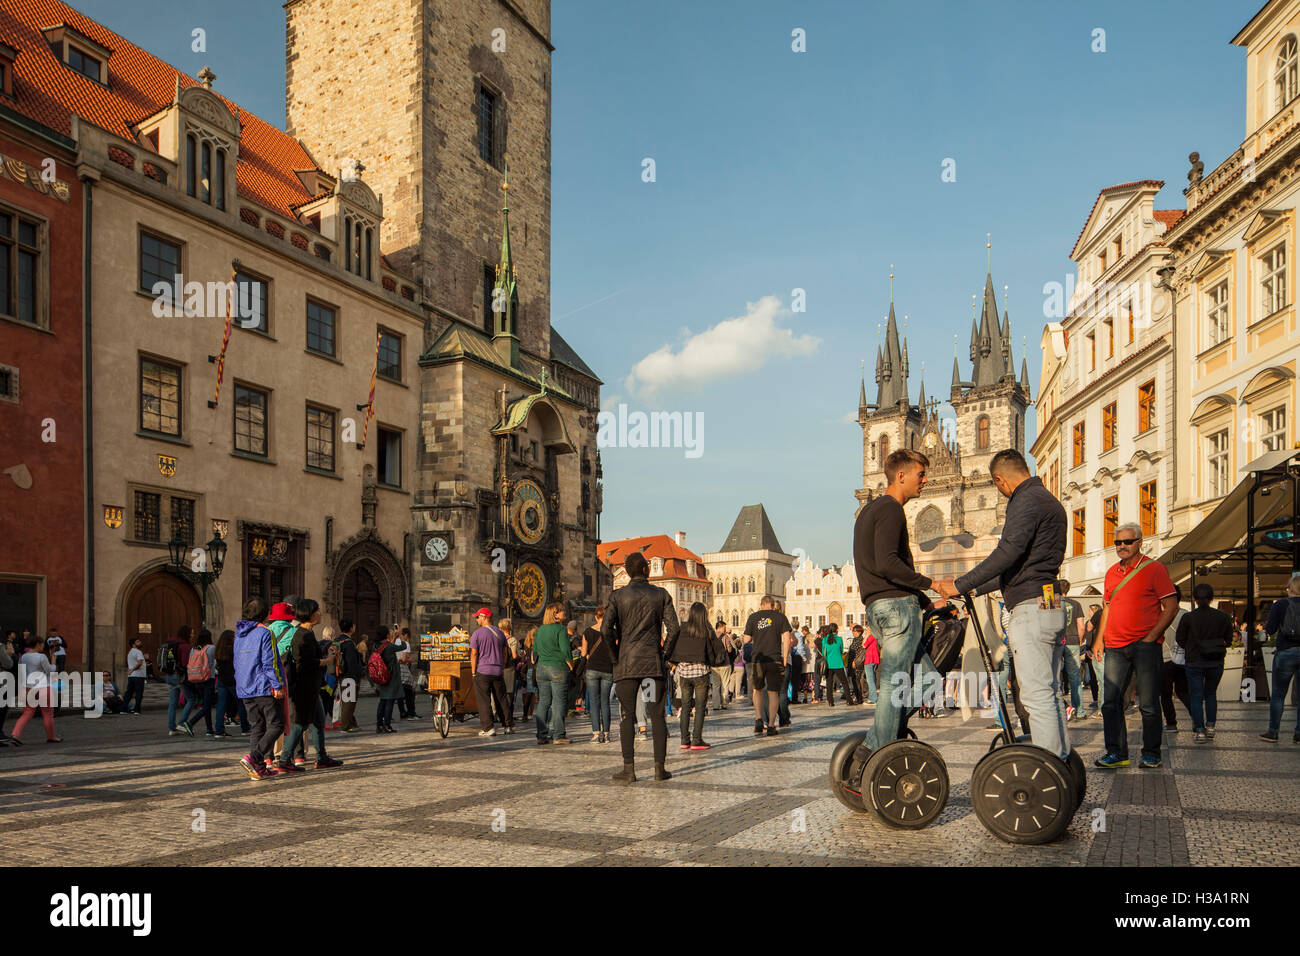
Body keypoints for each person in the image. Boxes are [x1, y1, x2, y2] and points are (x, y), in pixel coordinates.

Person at [952, 449, 1069, 760]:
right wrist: (973, 588)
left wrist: (960, 583)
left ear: (1000, 480)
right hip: (1049, 601)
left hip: (1030, 608)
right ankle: (1062, 758)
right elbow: (1020, 565)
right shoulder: (1050, 501)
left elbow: (1008, 553)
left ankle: (1048, 765)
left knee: (1035, 695)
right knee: (1052, 692)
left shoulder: (1024, 500)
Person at [854, 449, 950, 759]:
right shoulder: (892, 510)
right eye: (920, 474)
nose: (925, 480)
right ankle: (875, 752)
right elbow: (888, 564)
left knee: (929, 680)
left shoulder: (868, 512)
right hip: (896, 610)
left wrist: (927, 603)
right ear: (901, 475)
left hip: (883, 607)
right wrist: (932, 584)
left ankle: (876, 740)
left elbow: (885, 571)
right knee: (894, 687)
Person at [1092, 522, 1179, 769]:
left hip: (1144, 645)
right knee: (1110, 703)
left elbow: (1170, 606)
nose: (1122, 546)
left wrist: (1152, 637)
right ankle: (1116, 753)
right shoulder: (1111, 573)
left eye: (1127, 542)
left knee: (1149, 703)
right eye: (1118, 542)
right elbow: (1107, 607)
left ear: (1139, 542)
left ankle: (1152, 753)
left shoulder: (1154, 569)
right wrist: (1100, 639)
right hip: (1116, 646)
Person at [604, 550, 678, 782]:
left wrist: (615, 655)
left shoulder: (617, 596)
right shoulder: (661, 594)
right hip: (651, 666)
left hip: (626, 665)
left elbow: (606, 629)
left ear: (626, 571)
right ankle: (659, 768)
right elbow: (674, 629)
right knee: (656, 715)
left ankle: (629, 769)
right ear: (646, 570)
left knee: (627, 716)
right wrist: (664, 654)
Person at [275, 598, 342, 771]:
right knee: (301, 723)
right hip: (304, 687)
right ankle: (284, 759)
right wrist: (326, 660)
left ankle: (322, 757)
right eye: (317, 611)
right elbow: (303, 662)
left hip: (312, 687)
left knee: (319, 721)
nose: (320, 614)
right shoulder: (302, 635)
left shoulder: (307, 633)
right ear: (310, 615)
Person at [1175, 583, 1232, 743]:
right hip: (1215, 661)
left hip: (1194, 661)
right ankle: (1211, 726)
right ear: (1211, 598)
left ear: (1194, 598)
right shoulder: (1222, 617)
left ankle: (1199, 729)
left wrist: (1191, 647)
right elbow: (1228, 640)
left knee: (1196, 695)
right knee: (1211, 693)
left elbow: (1180, 639)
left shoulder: (1188, 617)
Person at [234, 599, 283, 779]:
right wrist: (277, 685)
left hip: (245, 686)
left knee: (257, 727)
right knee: (277, 724)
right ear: (265, 614)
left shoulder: (239, 634)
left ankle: (259, 767)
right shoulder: (265, 632)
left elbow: (237, 661)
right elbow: (269, 662)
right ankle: (254, 757)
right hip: (263, 685)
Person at [664, 601, 714, 750]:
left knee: (685, 706)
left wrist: (673, 662)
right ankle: (697, 740)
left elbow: (675, 646)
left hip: (684, 672)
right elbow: (711, 651)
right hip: (701, 672)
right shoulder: (705, 629)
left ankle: (684, 740)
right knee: (699, 707)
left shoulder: (683, 628)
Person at [742, 596, 793, 737]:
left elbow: (746, 640)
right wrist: (784, 658)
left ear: (761, 604)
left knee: (757, 690)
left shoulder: (753, 617)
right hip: (774, 659)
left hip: (758, 660)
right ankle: (771, 725)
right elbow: (787, 639)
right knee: (773, 693)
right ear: (772, 605)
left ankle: (759, 719)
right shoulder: (780, 617)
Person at [1261, 572, 1300, 742]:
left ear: (1290, 588)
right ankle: (1298, 734)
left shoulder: (1280, 605)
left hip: (1285, 651)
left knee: (1278, 694)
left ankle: (1273, 731)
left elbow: (1269, 629)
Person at [533, 603, 573, 745]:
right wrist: (570, 665)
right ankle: (559, 735)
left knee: (543, 702)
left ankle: (541, 735)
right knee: (558, 702)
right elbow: (565, 650)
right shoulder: (561, 629)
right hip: (557, 667)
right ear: (555, 614)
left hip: (541, 668)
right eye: (562, 611)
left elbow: (535, 651)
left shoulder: (540, 630)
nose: (565, 613)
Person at [470, 607, 512, 737]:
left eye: (478, 617)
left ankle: (488, 728)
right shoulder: (500, 633)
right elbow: (505, 652)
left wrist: (473, 671)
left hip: (483, 670)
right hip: (497, 670)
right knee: (501, 698)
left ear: (484, 617)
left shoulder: (477, 633)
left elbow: (474, 653)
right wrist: (502, 665)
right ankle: (508, 725)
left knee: (484, 699)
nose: (476, 619)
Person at [11, 635, 60, 743]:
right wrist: (53, 662)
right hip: (43, 687)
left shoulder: (23, 657)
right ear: (38, 644)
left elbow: (22, 673)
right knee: (47, 713)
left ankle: (15, 735)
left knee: (27, 712)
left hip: (29, 688)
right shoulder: (41, 657)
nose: (43, 646)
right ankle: (51, 737)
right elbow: (50, 671)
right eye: (42, 644)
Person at [1160, 588, 1192, 733]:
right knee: (1183, 692)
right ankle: (1198, 720)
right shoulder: (1187, 615)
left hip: (1165, 659)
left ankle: (1171, 723)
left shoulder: (1161, 615)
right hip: (1182, 659)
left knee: (1165, 694)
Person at [176, 629, 218, 738]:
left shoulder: (193, 649)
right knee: (207, 705)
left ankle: (209, 729)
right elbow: (215, 663)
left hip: (197, 678)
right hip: (209, 678)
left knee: (205, 704)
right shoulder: (211, 648)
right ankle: (190, 723)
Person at [582, 606, 615, 743]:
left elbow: (583, 654)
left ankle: (596, 734)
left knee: (594, 702)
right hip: (608, 669)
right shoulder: (613, 632)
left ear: (596, 616)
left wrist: (589, 655)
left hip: (592, 669)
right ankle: (606, 734)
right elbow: (616, 650)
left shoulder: (588, 632)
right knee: (605, 702)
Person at [1058, 580, 1087, 721]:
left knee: (1055, 676)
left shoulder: (1054, 602)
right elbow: (1081, 625)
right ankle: (1079, 710)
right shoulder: (1076, 604)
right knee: (1075, 677)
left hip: (1057, 642)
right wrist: (1079, 640)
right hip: (1073, 641)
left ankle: (1060, 708)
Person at [213, 629, 249, 736]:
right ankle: (245, 727)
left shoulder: (218, 650)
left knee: (221, 706)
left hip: (221, 680)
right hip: (233, 681)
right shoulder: (233, 650)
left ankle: (219, 730)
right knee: (241, 703)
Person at [162, 625, 192, 735]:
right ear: (187, 634)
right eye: (191, 632)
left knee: (173, 703)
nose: (192, 635)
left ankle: (172, 728)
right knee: (192, 699)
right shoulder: (184, 646)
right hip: (179, 675)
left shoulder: (168, 643)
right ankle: (181, 722)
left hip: (169, 675)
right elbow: (185, 663)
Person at [372, 628, 403, 733]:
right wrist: (401, 636)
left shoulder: (376, 645)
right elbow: (402, 646)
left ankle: (379, 725)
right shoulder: (389, 646)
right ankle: (387, 725)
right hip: (390, 677)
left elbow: (388, 646)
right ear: (386, 635)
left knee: (382, 701)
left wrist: (394, 637)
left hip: (381, 676)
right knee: (390, 701)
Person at [822, 626, 853, 707]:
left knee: (829, 683)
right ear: (836, 630)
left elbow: (823, 652)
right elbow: (841, 650)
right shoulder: (839, 639)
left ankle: (830, 701)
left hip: (828, 664)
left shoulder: (824, 640)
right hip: (838, 663)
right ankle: (849, 700)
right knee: (844, 682)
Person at [499, 618, 519, 719]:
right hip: (509, 669)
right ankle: (508, 715)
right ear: (509, 627)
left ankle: (498, 714)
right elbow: (514, 656)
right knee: (509, 693)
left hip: (498, 667)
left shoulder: (497, 638)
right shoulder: (512, 639)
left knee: (500, 692)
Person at [710, 620, 731, 711]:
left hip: (714, 664)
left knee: (715, 685)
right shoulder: (725, 637)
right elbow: (729, 650)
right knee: (725, 684)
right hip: (724, 663)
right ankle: (724, 704)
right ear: (721, 627)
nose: (725, 629)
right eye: (724, 627)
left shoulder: (711, 636)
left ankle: (715, 705)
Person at [123, 636, 147, 715]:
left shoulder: (130, 652)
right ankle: (137, 710)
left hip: (131, 676)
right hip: (139, 676)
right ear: (133, 644)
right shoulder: (138, 651)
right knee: (139, 693)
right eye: (138, 642)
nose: (140, 643)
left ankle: (123, 709)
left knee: (129, 693)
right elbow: (139, 663)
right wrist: (133, 669)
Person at [520, 625, 538, 720]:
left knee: (529, 694)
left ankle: (525, 714)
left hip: (529, 671)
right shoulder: (538, 646)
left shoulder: (526, 647)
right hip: (538, 670)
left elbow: (523, 660)